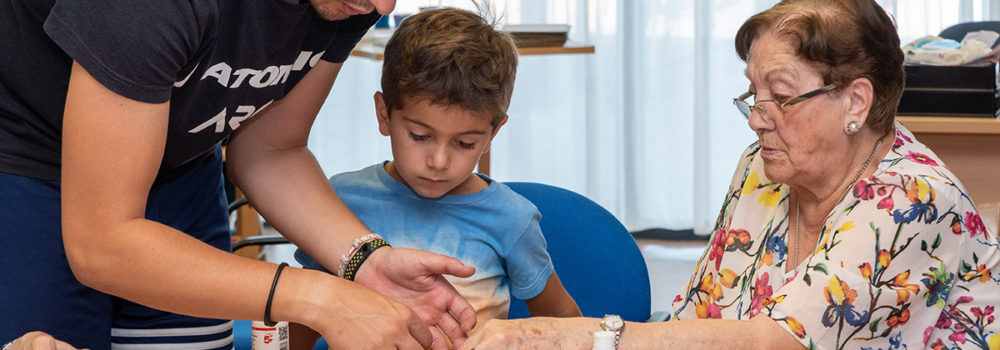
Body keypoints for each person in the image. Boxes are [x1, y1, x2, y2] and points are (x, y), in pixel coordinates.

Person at [460, 0, 1000, 349]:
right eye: (753, 92)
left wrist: (574, 337)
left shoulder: (910, 198)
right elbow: (699, 312)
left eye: (781, 96)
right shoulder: (763, 169)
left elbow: (778, 342)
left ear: (856, 100)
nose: (758, 117)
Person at [0, 1, 479, 350]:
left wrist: (366, 263)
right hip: (28, 157)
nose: (382, 5)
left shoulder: (348, 4)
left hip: (181, 164)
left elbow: (270, 149)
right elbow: (101, 243)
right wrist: (319, 298)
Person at [290, 7, 583, 349]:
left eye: (465, 143)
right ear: (384, 114)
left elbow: (562, 321)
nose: (439, 161)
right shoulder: (337, 201)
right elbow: (306, 313)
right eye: (419, 135)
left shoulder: (511, 219)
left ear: (493, 133)